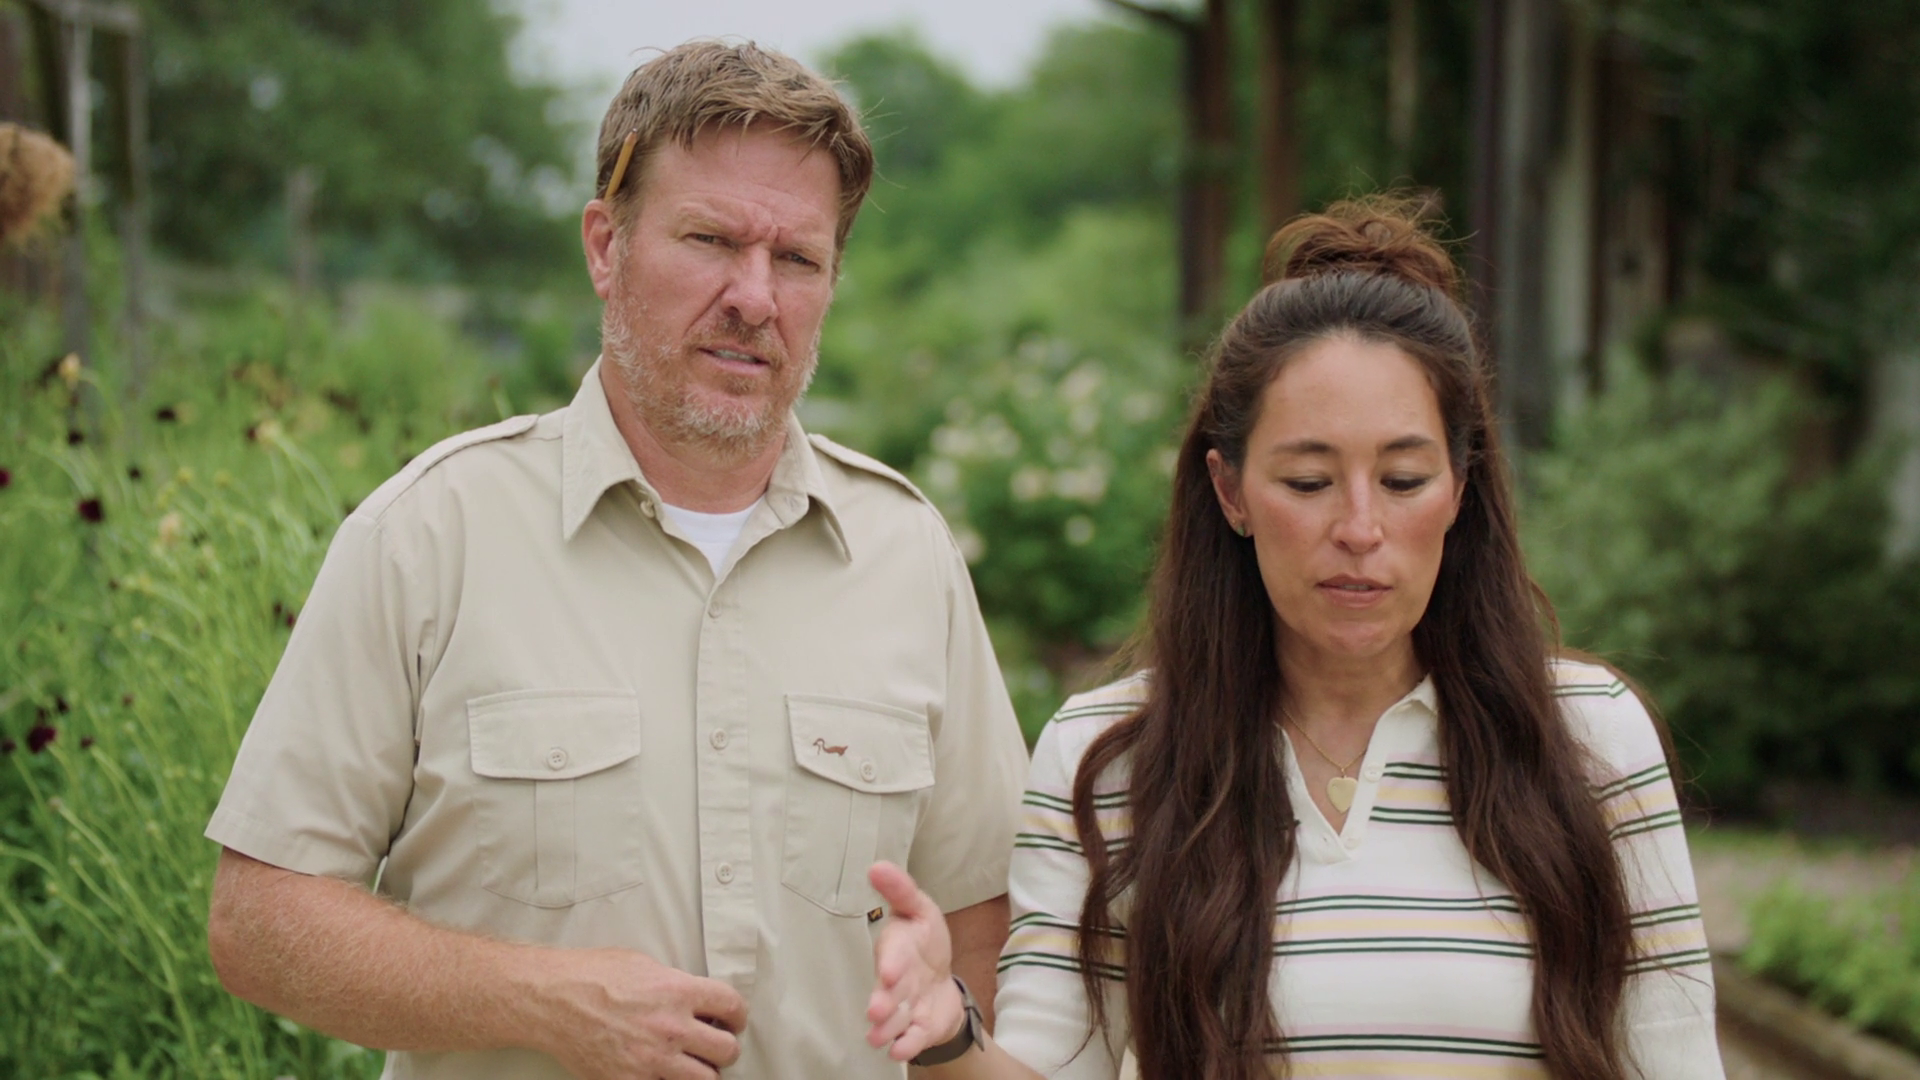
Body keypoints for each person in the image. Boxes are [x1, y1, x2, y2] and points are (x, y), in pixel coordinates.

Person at [204, 41, 1030, 1080]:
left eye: (797, 259)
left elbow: (985, 928)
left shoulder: (906, 554)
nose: (754, 296)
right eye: (710, 239)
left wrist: (949, 1014)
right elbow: (260, 922)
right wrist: (538, 1000)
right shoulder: (431, 535)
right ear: (606, 245)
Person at [863, 198, 1725, 1079]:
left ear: (1460, 489)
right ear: (1230, 491)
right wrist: (949, 1038)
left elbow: (1677, 1062)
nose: (1359, 527)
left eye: (1403, 479)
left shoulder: (1589, 738)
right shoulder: (1111, 758)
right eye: (1309, 482)